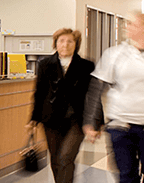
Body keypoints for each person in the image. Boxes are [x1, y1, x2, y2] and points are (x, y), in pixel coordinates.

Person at [83, 12, 144, 183]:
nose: (127, 27)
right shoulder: (114, 54)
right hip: (121, 125)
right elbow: (96, 89)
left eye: (132, 24)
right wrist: (92, 122)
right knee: (126, 174)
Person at [27, 28, 94, 183]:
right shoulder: (45, 64)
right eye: (61, 41)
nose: (65, 45)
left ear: (76, 44)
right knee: (56, 160)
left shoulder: (86, 66)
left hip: (76, 120)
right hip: (51, 119)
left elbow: (92, 96)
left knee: (66, 158)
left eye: (70, 41)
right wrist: (33, 119)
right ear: (55, 43)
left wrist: (95, 122)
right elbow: (39, 92)